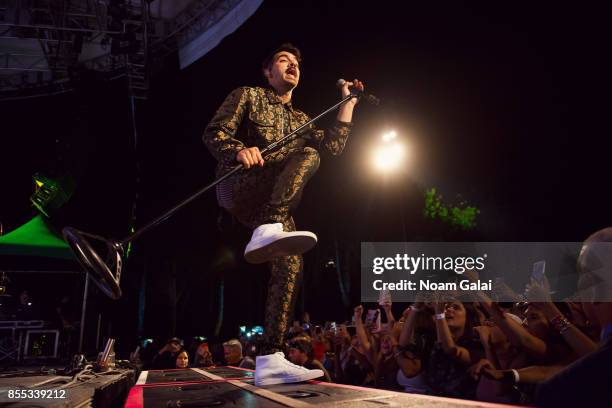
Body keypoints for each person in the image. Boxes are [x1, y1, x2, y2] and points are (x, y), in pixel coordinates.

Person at [203, 42, 364, 352]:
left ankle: (270, 355)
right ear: (268, 71)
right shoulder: (247, 95)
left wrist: (348, 104)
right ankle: (270, 226)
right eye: (283, 60)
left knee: (290, 263)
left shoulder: (301, 119)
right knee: (307, 154)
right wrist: (238, 149)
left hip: (269, 205)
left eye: (297, 64)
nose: (292, 66)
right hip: (237, 185)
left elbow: (332, 147)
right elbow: (214, 132)